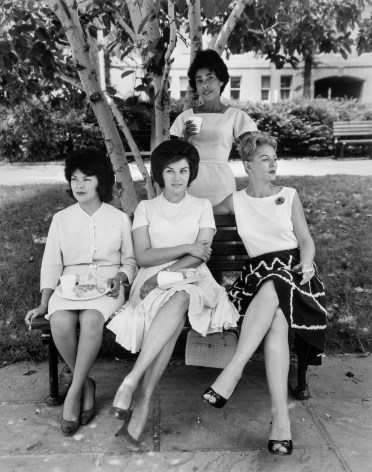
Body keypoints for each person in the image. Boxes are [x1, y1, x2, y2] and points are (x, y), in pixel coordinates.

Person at [107, 139, 239, 451]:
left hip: (191, 277)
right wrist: (184, 247)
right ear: (159, 174)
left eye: (183, 170)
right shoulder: (146, 208)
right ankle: (142, 402)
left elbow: (201, 254)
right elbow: (143, 256)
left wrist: (168, 274)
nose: (178, 177)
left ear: (191, 173)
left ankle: (133, 381)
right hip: (151, 280)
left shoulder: (202, 206)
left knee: (180, 297)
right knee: (174, 306)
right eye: (170, 171)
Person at [202, 133, 327, 455]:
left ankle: (233, 371)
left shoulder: (289, 194)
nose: (273, 163)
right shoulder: (235, 200)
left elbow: (306, 241)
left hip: (294, 274)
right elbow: (199, 217)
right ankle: (280, 418)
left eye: (275, 157)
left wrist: (308, 263)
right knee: (276, 318)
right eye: (265, 159)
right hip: (256, 278)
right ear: (247, 165)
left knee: (276, 285)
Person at [25, 149, 137, 436]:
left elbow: (130, 261)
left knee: (90, 320)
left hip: (107, 286)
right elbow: (51, 263)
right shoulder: (61, 219)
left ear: (101, 182)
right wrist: (43, 302)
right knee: (59, 321)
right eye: (74, 179)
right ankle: (85, 384)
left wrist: (122, 277)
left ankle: (72, 395)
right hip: (69, 286)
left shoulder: (119, 218)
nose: (79, 185)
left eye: (87, 178)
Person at [170, 49, 257, 205]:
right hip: (191, 182)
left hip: (221, 185)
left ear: (221, 81)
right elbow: (171, 160)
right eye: (200, 80)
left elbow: (252, 153)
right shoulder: (185, 117)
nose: (205, 85)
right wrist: (185, 140)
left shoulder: (235, 116)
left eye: (210, 78)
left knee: (223, 226)